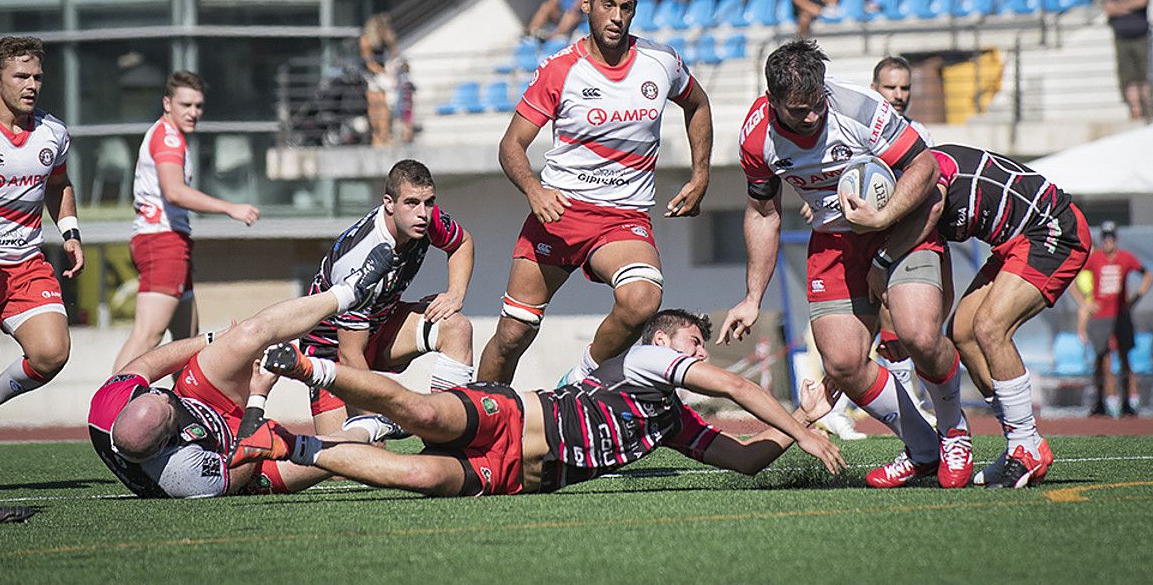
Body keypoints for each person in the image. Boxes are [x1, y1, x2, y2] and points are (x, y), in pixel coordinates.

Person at [242, 308, 847, 497]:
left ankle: (289, 444)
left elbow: (743, 460)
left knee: (420, 475)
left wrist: (803, 419)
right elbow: (739, 388)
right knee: (423, 413)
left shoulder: (671, 422)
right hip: (513, 412)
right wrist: (806, 434)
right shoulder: (645, 360)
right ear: (664, 341)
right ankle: (307, 366)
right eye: (695, 341)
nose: (702, 353)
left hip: (516, 475)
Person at [721, 39, 971, 490]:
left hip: (901, 225)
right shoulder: (757, 137)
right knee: (841, 362)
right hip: (834, 240)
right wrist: (752, 296)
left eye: (817, 104)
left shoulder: (858, 108)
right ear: (772, 100)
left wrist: (883, 219)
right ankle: (922, 449)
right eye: (799, 110)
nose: (813, 116)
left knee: (916, 334)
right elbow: (763, 212)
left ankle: (954, 432)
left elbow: (925, 168)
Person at [477, 0, 713, 385]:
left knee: (642, 300)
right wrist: (533, 190)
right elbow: (511, 145)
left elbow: (698, 104)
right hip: (560, 212)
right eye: (608, 5)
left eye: (627, 7)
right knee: (513, 335)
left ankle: (581, 378)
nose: (618, 18)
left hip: (624, 217)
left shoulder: (661, 62)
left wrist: (701, 176)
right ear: (586, 5)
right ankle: (477, 417)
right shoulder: (560, 69)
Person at [857, 144, 1091, 488]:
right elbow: (943, 283)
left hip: (1052, 228)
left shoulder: (928, 171)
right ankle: (1017, 445)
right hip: (1014, 244)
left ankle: (1027, 445)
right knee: (963, 333)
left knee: (990, 327)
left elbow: (935, 203)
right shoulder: (913, 216)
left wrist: (881, 260)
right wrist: (919, 337)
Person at [89, 256, 398, 498]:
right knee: (327, 456)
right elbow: (237, 474)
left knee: (248, 333)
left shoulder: (107, 405)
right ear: (167, 443)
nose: (160, 393)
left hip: (200, 397)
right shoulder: (181, 475)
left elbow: (147, 363)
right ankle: (376, 427)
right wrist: (256, 403)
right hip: (239, 455)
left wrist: (212, 339)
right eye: (169, 408)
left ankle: (346, 293)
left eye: (156, 393)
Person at [300, 159, 475, 434]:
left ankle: (451, 434)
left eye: (429, 202)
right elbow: (349, 353)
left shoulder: (426, 221)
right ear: (389, 203)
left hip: (380, 328)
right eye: (412, 203)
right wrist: (379, 418)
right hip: (333, 351)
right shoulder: (360, 257)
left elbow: (462, 243)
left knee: (456, 327)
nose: (423, 213)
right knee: (351, 457)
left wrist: (456, 293)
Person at [112, 72, 261, 372]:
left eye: (199, 106)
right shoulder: (167, 136)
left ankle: (185, 412)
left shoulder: (170, 136)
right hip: (162, 241)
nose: (194, 113)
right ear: (167, 103)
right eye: (186, 105)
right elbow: (175, 192)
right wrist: (230, 208)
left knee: (186, 341)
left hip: (171, 240)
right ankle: (109, 407)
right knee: (148, 336)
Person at [0, 36, 84, 448]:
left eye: (37, 76)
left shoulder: (52, 132)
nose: (31, 85)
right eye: (20, 75)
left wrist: (71, 232)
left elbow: (58, 184)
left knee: (51, 352)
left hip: (25, 261)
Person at [868, 56, 938, 425]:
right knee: (875, 318)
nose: (898, 95)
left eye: (904, 88)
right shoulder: (858, 130)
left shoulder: (921, 134)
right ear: (873, 88)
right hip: (867, 234)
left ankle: (917, 395)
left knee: (920, 325)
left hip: (909, 233)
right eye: (890, 87)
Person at [1075, 222, 1153, 417]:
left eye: (1111, 238)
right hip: (1100, 316)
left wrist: (1136, 297)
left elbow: (1147, 275)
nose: (1108, 242)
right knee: (1102, 360)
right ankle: (1102, 402)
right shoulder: (1095, 259)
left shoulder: (1126, 258)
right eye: (1105, 238)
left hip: (1121, 315)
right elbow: (1071, 277)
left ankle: (1128, 401)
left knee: (1125, 357)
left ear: (1116, 239)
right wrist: (1084, 303)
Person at [1104, 0, 1153, 121]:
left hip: (1140, 37)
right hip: (1122, 39)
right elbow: (1109, 9)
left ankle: (1148, 109)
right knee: (1128, 76)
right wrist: (1131, 4)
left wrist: (1120, 6)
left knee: (1143, 75)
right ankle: (1136, 110)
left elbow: (1142, 1)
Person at [358, 13, 399, 146]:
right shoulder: (366, 40)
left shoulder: (384, 41)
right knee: (376, 104)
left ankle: (384, 134)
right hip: (370, 76)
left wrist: (391, 41)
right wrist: (383, 72)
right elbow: (369, 63)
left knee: (385, 106)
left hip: (382, 76)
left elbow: (394, 55)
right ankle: (377, 135)